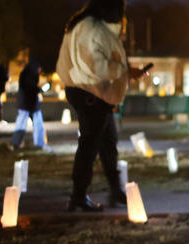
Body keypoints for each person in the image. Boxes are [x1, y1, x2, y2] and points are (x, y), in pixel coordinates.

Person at [56, 0, 147, 212]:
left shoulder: (84, 24)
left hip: (89, 92)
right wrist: (124, 71)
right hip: (92, 93)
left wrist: (124, 70)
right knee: (90, 144)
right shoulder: (92, 28)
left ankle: (114, 191)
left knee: (107, 143)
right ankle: (78, 195)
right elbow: (96, 65)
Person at [10, 59, 50, 151]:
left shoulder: (26, 72)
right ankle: (38, 143)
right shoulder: (31, 74)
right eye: (39, 68)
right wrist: (39, 90)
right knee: (32, 123)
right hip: (28, 102)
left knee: (24, 123)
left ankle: (16, 143)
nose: (40, 70)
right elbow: (31, 88)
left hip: (26, 102)